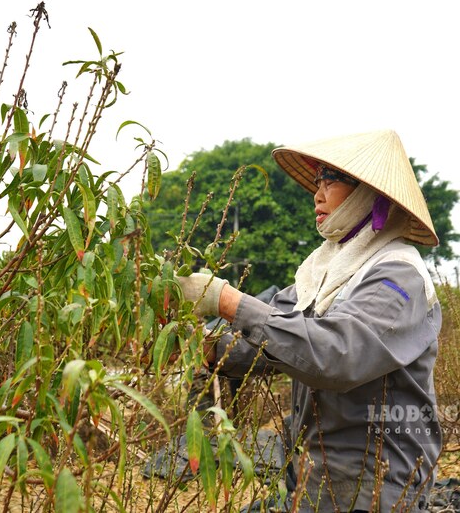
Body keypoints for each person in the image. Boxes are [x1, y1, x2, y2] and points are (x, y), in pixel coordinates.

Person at [176, 129, 442, 512]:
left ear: (368, 193)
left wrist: (226, 300)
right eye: (318, 180)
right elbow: (270, 337)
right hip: (314, 478)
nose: (318, 193)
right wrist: (197, 346)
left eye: (331, 180)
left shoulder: (397, 278)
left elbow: (335, 355)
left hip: (374, 487)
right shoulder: (324, 272)